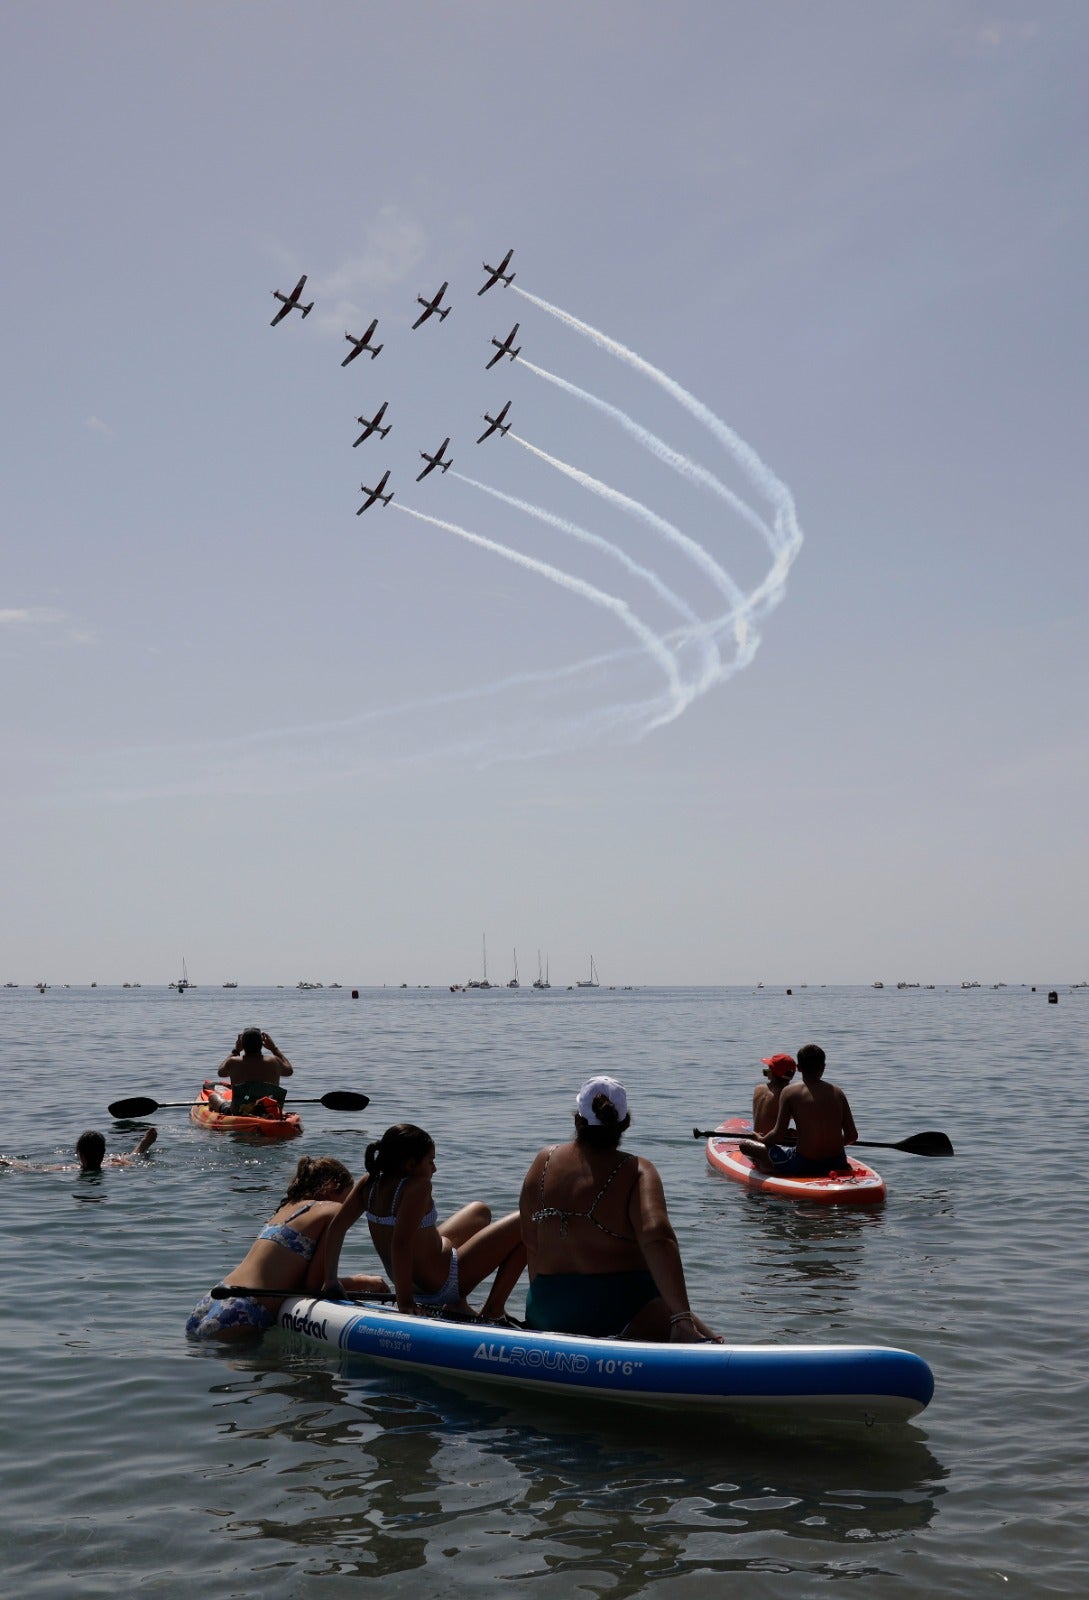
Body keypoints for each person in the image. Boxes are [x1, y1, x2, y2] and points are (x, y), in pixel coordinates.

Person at [519, 1077, 721, 1343]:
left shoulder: (543, 1162)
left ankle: (701, 1334)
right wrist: (681, 1317)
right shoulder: (637, 1171)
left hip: (545, 1310)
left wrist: (545, 1305)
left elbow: (530, 1242)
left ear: (577, 1121)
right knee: (675, 1316)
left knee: (684, 1320)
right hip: (616, 1315)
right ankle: (695, 1334)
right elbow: (658, 1238)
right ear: (624, 1124)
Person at [320, 1124, 525, 1321]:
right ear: (410, 1164)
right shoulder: (418, 1186)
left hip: (415, 1281)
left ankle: (457, 1304)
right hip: (443, 1283)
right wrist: (405, 1302)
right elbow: (401, 1244)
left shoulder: (370, 1182)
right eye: (430, 1161)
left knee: (479, 1211)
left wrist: (331, 1280)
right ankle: (493, 1309)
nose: (434, 1169)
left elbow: (337, 1227)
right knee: (528, 1221)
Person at [186, 1155, 389, 1341]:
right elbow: (314, 1286)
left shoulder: (286, 1209)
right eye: (346, 1198)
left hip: (212, 1300)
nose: (346, 1206)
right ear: (332, 1188)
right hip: (245, 1309)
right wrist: (363, 1282)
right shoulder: (332, 1210)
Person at [739, 1043, 858, 1177]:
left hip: (802, 1165)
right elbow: (852, 1136)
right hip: (838, 1162)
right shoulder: (838, 1092)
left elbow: (778, 1135)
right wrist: (828, 1146)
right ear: (824, 1067)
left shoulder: (789, 1092)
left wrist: (761, 1139)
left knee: (745, 1145)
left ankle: (770, 1167)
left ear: (799, 1068)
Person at [208, 1027, 294, 1114]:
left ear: (242, 1044)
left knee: (212, 1096)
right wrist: (274, 1048)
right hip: (268, 1110)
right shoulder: (274, 1062)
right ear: (261, 1044)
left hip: (239, 1112)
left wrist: (236, 1050)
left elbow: (220, 1072)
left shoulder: (233, 1062)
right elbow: (289, 1071)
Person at [1, 1127, 158, 1172]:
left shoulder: (69, 1168)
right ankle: (142, 1146)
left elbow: (35, 1170)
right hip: (111, 1165)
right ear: (103, 1152)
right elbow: (135, 1166)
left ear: (79, 1154)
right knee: (129, 1157)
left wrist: (11, 1163)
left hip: (80, 1169)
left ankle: (142, 1146)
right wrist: (126, 1163)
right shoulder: (114, 1165)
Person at [751, 1053, 796, 1135]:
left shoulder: (758, 1088)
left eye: (769, 1068)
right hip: (771, 1140)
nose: (767, 1070)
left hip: (756, 1136)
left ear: (772, 1073)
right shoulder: (785, 1094)